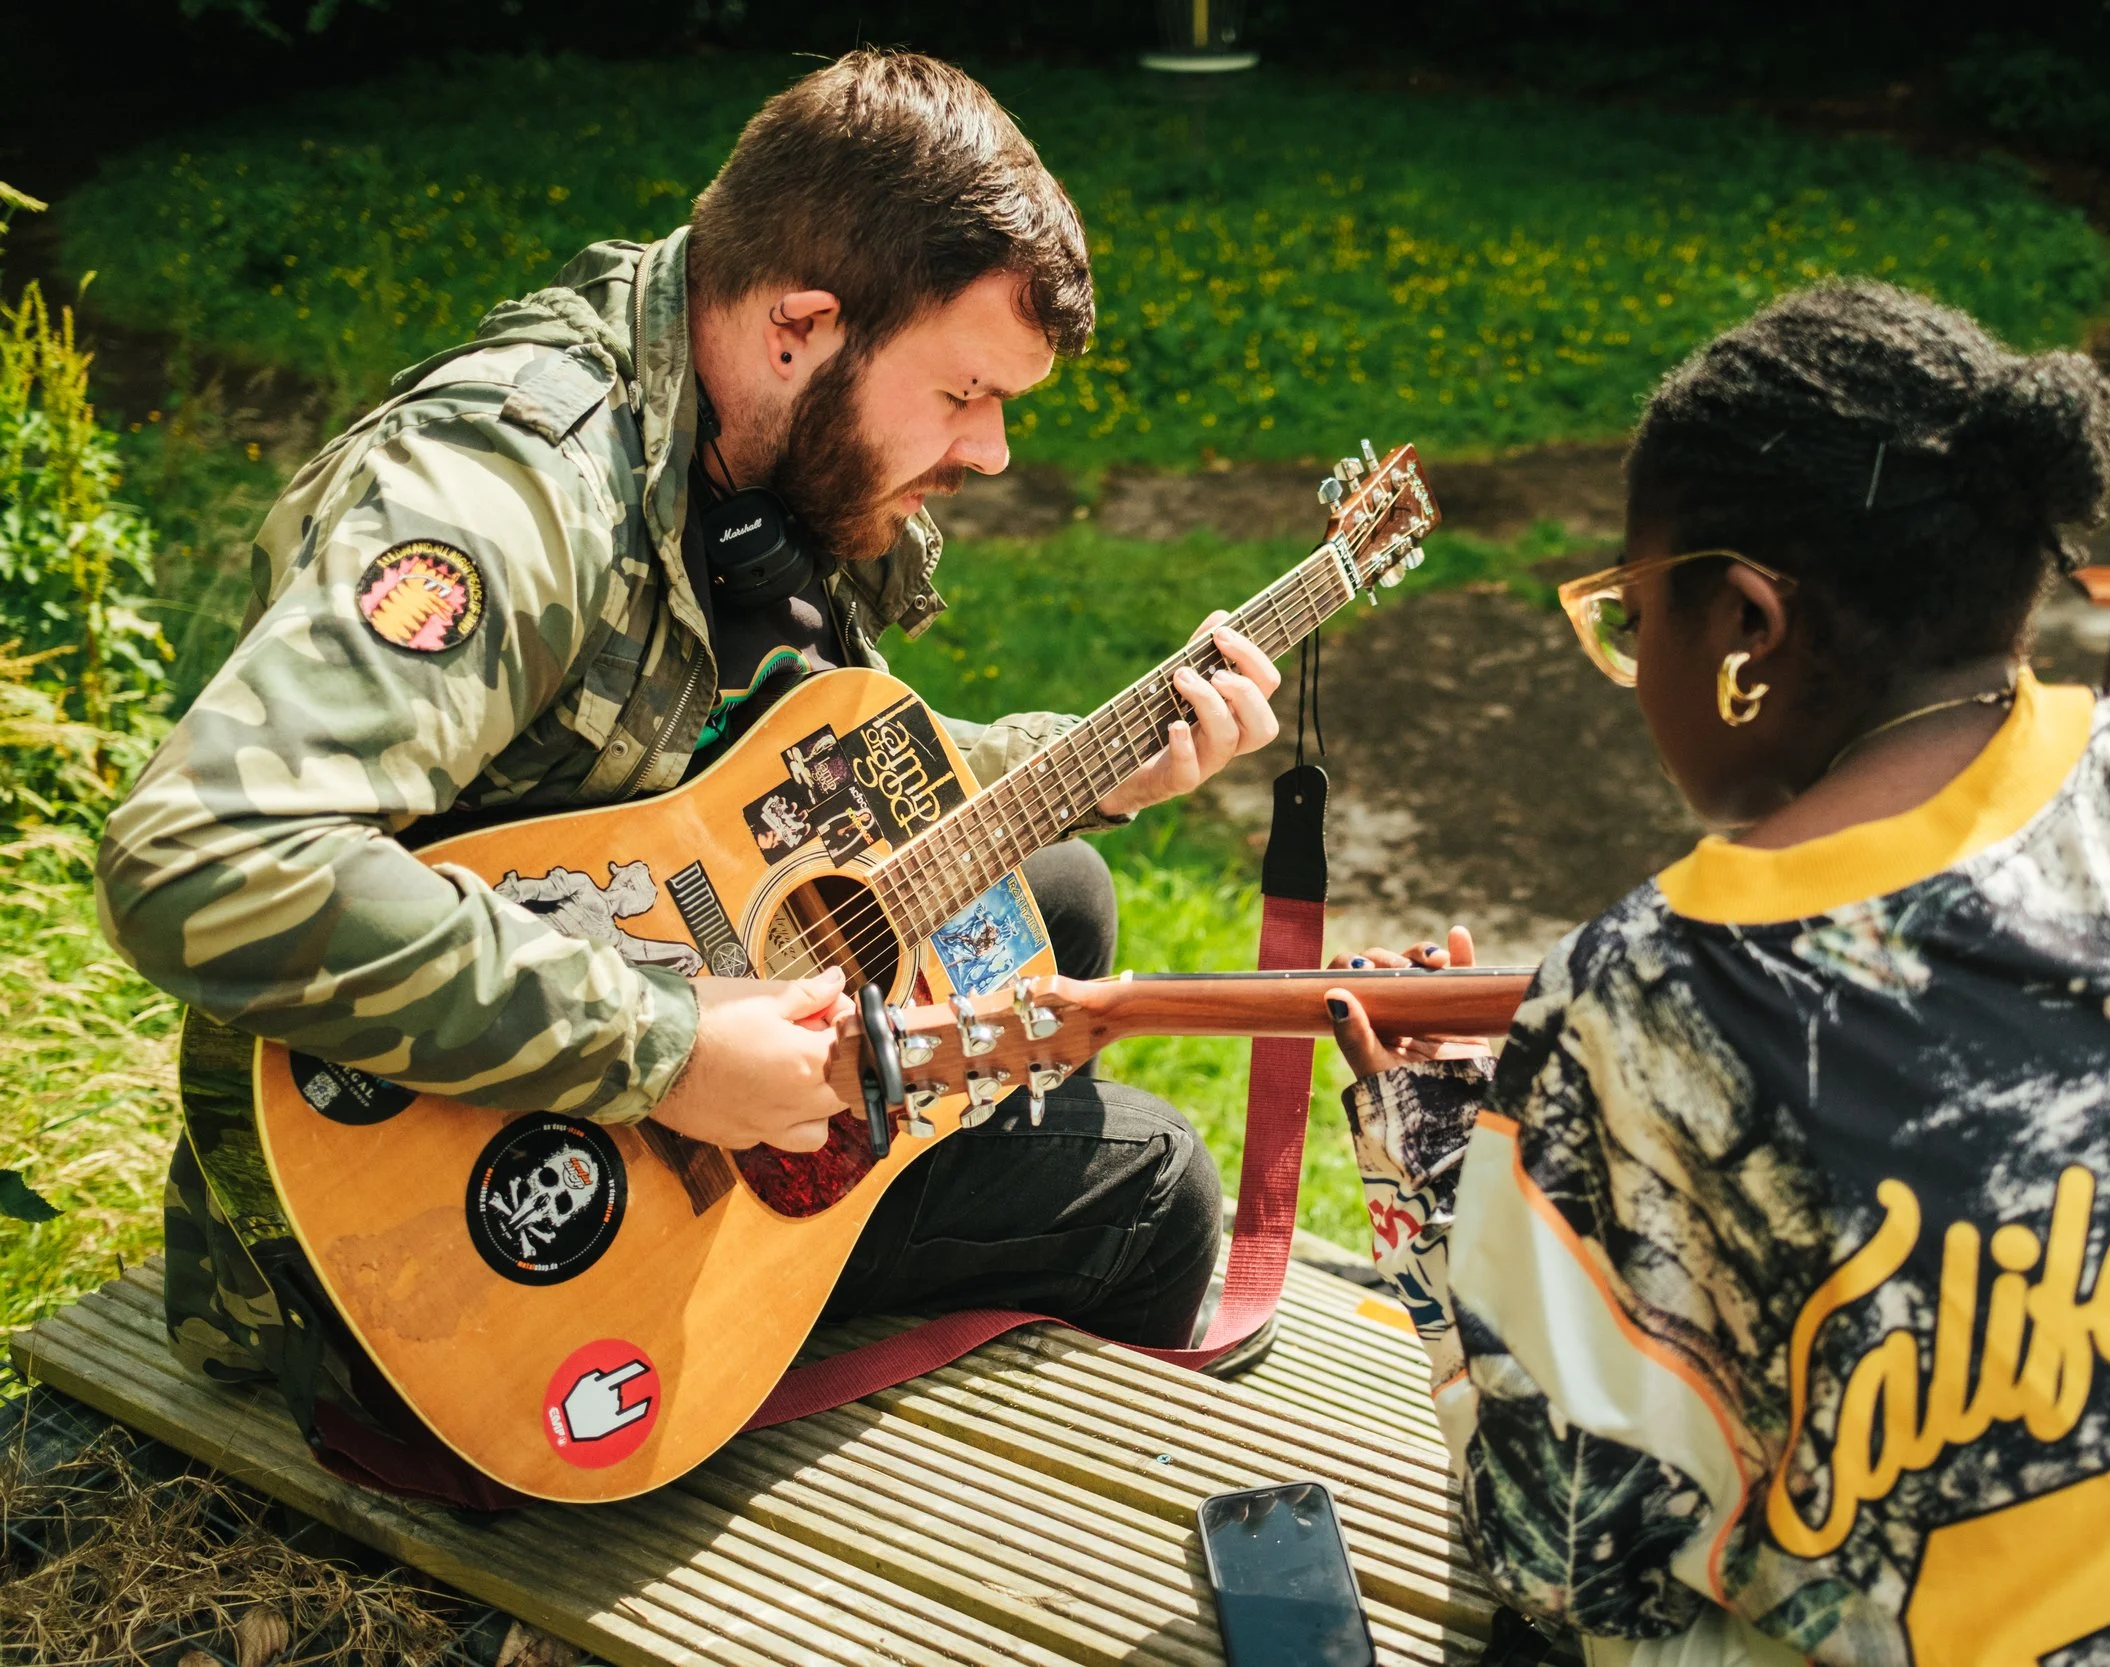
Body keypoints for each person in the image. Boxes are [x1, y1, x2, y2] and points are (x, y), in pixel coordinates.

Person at [96, 50, 1281, 1489]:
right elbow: (202, 859)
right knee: (1153, 1182)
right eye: (966, 392)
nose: (994, 451)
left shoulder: (755, 430)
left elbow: (789, 776)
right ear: (801, 325)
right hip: (447, 1238)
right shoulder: (508, 493)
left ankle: (803, 1260)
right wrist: (666, 1049)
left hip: (648, 974)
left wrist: (1094, 765)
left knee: (1062, 895)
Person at [1325, 277, 2110, 1662]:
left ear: (1749, 627)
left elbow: (1564, 1560)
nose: (1632, 666)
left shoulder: (1644, 1006)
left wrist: (1447, 1176)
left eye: (1635, 618)